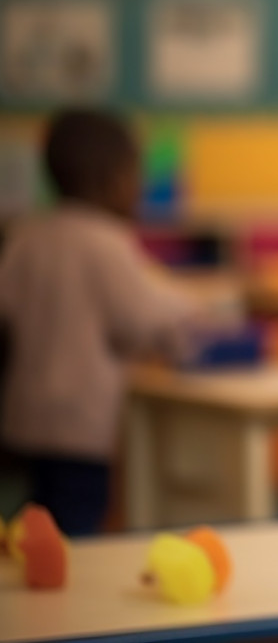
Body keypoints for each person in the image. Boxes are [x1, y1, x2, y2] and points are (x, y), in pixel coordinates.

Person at [0, 107, 228, 536]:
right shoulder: (107, 242)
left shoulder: (27, 234)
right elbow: (139, 316)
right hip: (80, 425)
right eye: (137, 175)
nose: (140, 189)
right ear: (114, 179)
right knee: (79, 523)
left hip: (26, 417)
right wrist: (191, 307)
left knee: (40, 516)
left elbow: (6, 305)